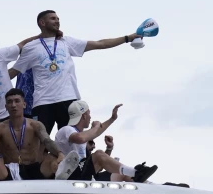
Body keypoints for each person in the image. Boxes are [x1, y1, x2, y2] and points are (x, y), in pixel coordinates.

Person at [10, 10, 142, 134]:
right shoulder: (31, 47)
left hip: (68, 100)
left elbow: (100, 44)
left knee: (72, 143)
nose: (57, 21)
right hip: (43, 102)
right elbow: (14, 71)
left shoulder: (66, 42)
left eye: (58, 19)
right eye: (53, 18)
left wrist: (127, 38)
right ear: (42, 23)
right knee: (38, 144)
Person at [0, 89, 79, 182]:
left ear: (24, 104)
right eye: (9, 102)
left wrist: (59, 153)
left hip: (35, 169)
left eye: (17, 101)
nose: (13, 105)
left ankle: (61, 172)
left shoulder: (35, 125)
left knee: (52, 158)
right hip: (8, 170)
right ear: (6, 107)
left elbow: (47, 141)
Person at [55, 100, 158, 182]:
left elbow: (95, 132)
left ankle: (150, 185)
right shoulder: (66, 130)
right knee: (98, 153)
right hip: (70, 173)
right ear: (84, 115)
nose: (90, 117)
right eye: (89, 113)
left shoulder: (80, 134)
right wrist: (95, 127)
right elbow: (81, 138)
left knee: (120, 174)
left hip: (83, 173)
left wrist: (112, 119)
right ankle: (136, 172)